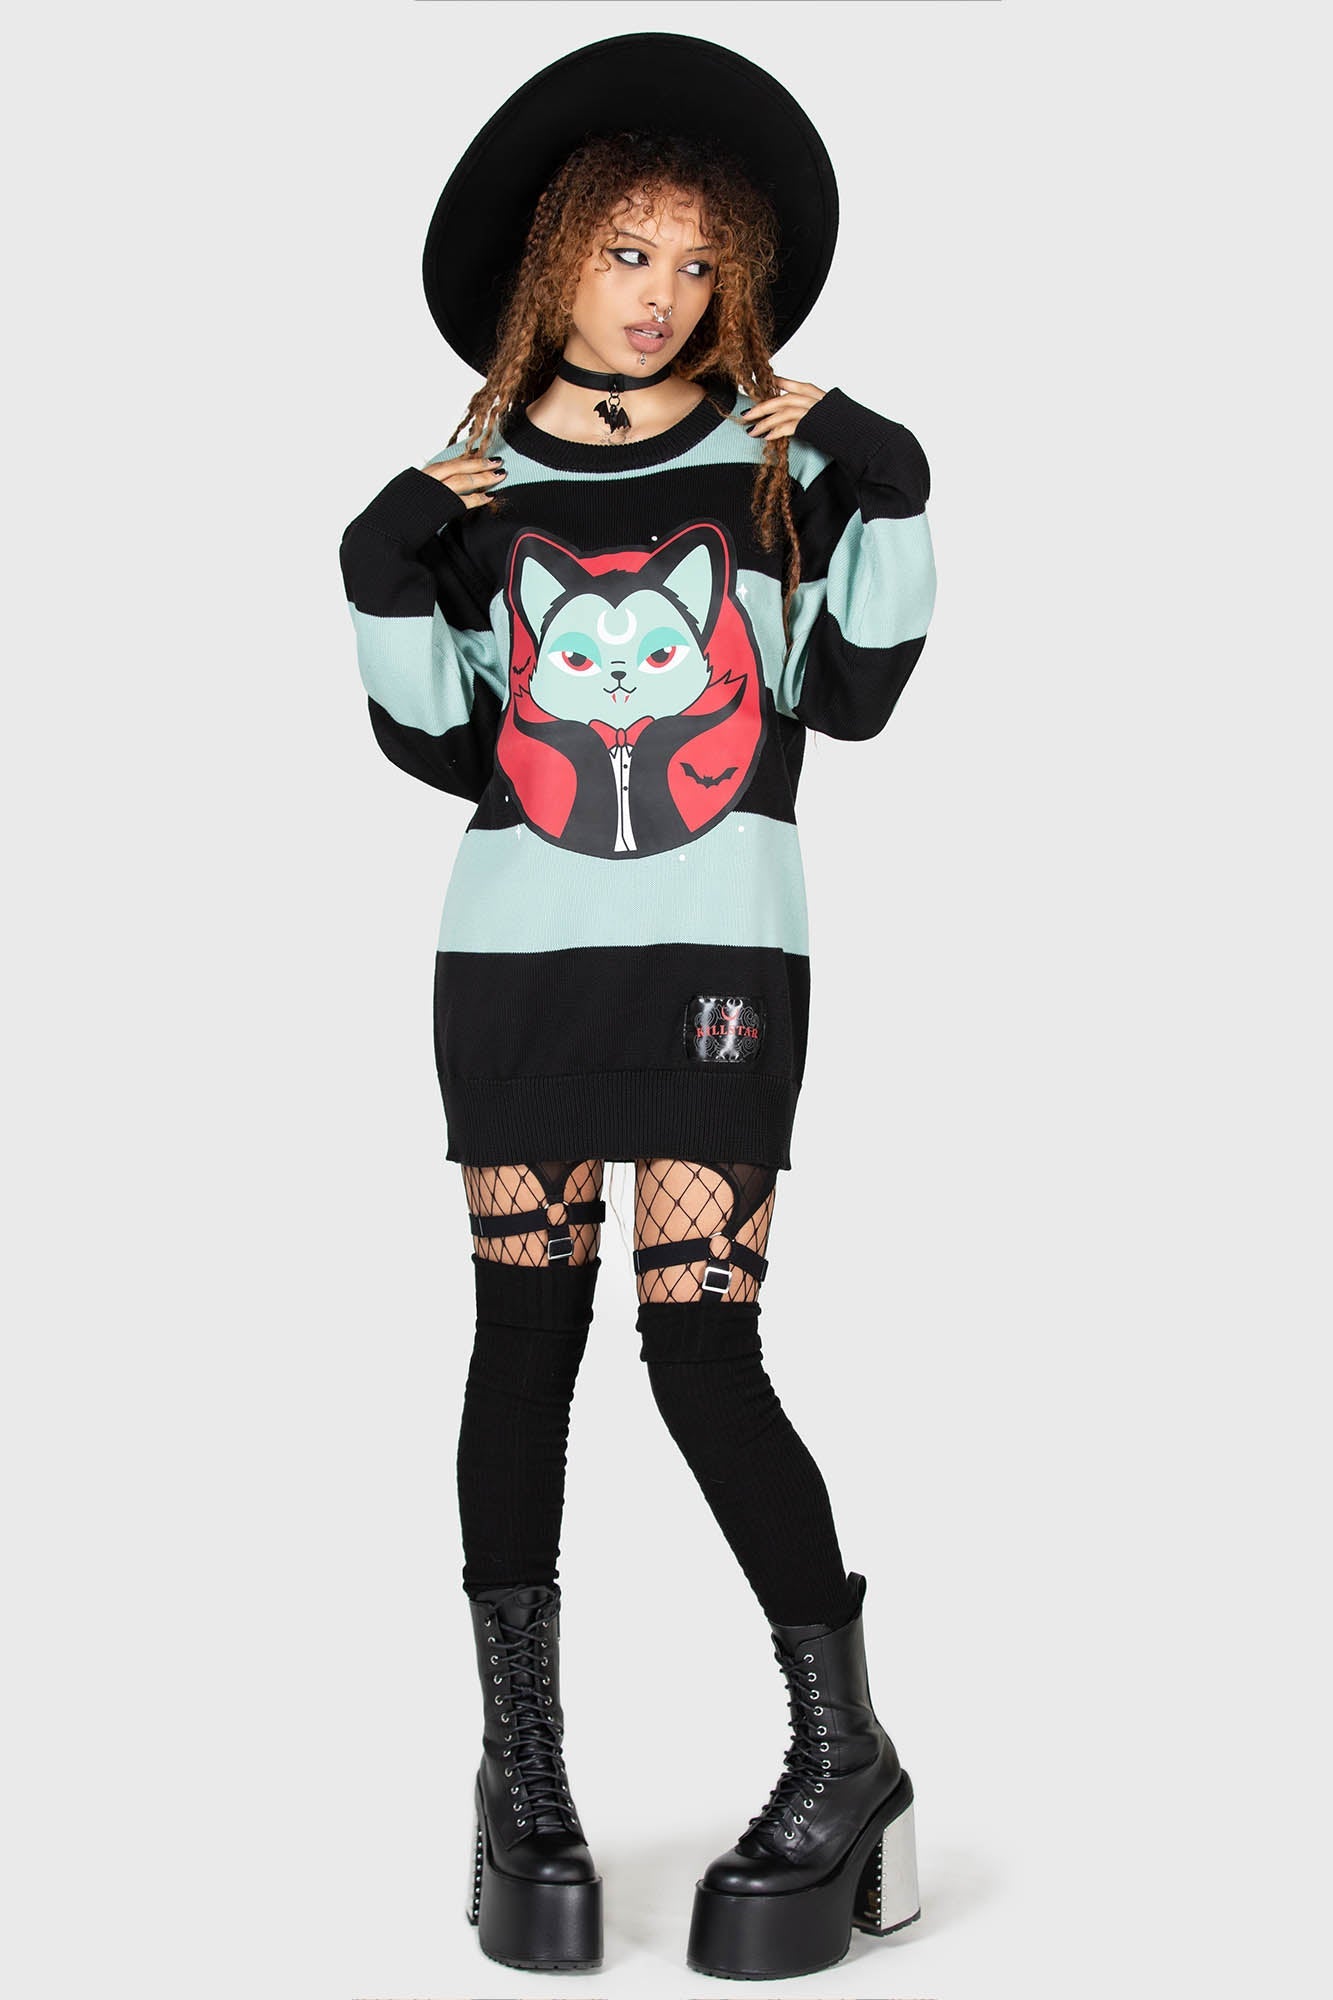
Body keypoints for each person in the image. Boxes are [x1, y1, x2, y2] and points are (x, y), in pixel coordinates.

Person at [337, 31, 937, 1984]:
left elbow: (849, 696)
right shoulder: (474, 481)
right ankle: (521, 1783)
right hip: (514, 958)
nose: (662, 292)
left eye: (697, 261)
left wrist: (891, 486)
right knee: (522, 1346)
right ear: (555, 256)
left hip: (714, 957)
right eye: (628, 251)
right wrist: (379, 569)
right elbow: (450, 749)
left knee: (702, 1350)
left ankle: (842, 1757)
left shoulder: (776, 462)